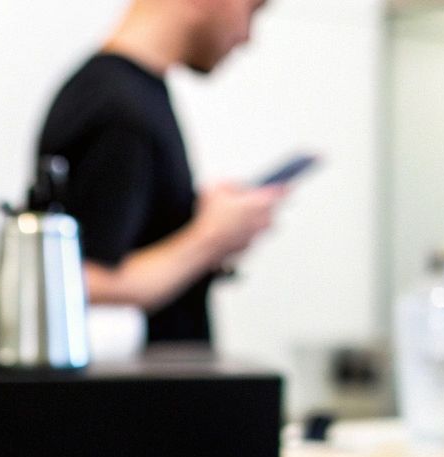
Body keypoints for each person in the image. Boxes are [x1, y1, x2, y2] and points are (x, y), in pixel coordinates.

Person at [38, 0, 287, 347]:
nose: (247, 36)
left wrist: (199, 220)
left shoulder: (126, 94)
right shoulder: (120, 109)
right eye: (252, 9)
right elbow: (82, 280)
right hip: (139, 395)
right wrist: (211, 237)